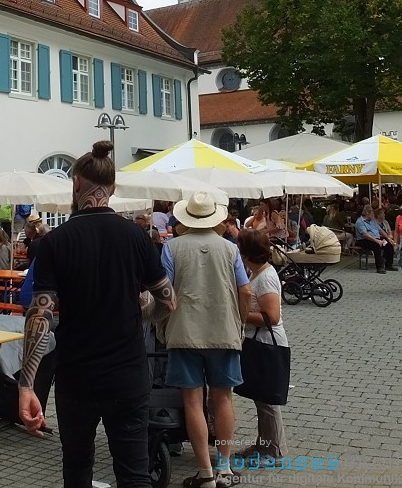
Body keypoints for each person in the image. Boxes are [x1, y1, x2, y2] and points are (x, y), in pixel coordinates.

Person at [20, 141, 175, 488]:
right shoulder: (137, 237)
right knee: (134, 472)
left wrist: (26, 384)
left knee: (77, 468)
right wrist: (144, 311)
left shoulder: (55, 242)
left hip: (77, 377)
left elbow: (39, 316)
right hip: (129, 374)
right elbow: (168, 301)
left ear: (75, 184)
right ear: (114, 188)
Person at [162, 192, 251, 488]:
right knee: (223, 399)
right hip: (223, 331)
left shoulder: (171, 247)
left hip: (184, 332)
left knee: (192, 402)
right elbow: (246, 291)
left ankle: (205, 473)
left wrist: (163, 324)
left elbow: (164, 291)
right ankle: (224, 467)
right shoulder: (230, 249)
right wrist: (238, 321)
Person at [235, 228, 289, 461]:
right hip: (258, 341)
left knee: (267, 400)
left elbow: (272, 317)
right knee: (261, 397)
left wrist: (239, 315)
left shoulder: (266, 277)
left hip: (267, 343)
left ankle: (275, 450)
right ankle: (263, 445)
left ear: (246, 252)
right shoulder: (256, 272)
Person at [354, 204, 394, 274]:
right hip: (364, 240)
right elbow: (365, 234)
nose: (373, 215)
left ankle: (389, 265)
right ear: (367, 213)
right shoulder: (360, 222)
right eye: (372, 213)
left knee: (389, 245)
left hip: (376, 238)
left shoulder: (372, 221)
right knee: (376, 246)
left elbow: (380, 230)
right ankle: (380, 267)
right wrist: (377, 241)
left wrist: (388, 238)